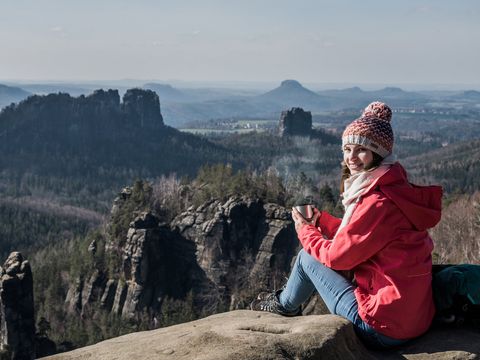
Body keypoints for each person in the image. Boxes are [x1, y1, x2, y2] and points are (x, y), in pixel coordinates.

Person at [250, 101, 443, 349]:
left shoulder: (377, 201)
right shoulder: (395, 191)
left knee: (306, 258)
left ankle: (284, 307)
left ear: (379, 153)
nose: (351, 157)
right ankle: (284, 302)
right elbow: (365, 234)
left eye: (361, 149)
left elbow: (338, 258)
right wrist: (322, 221)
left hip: (382, 328)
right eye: (347, 149)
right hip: (415, 320)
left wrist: (305, 230)